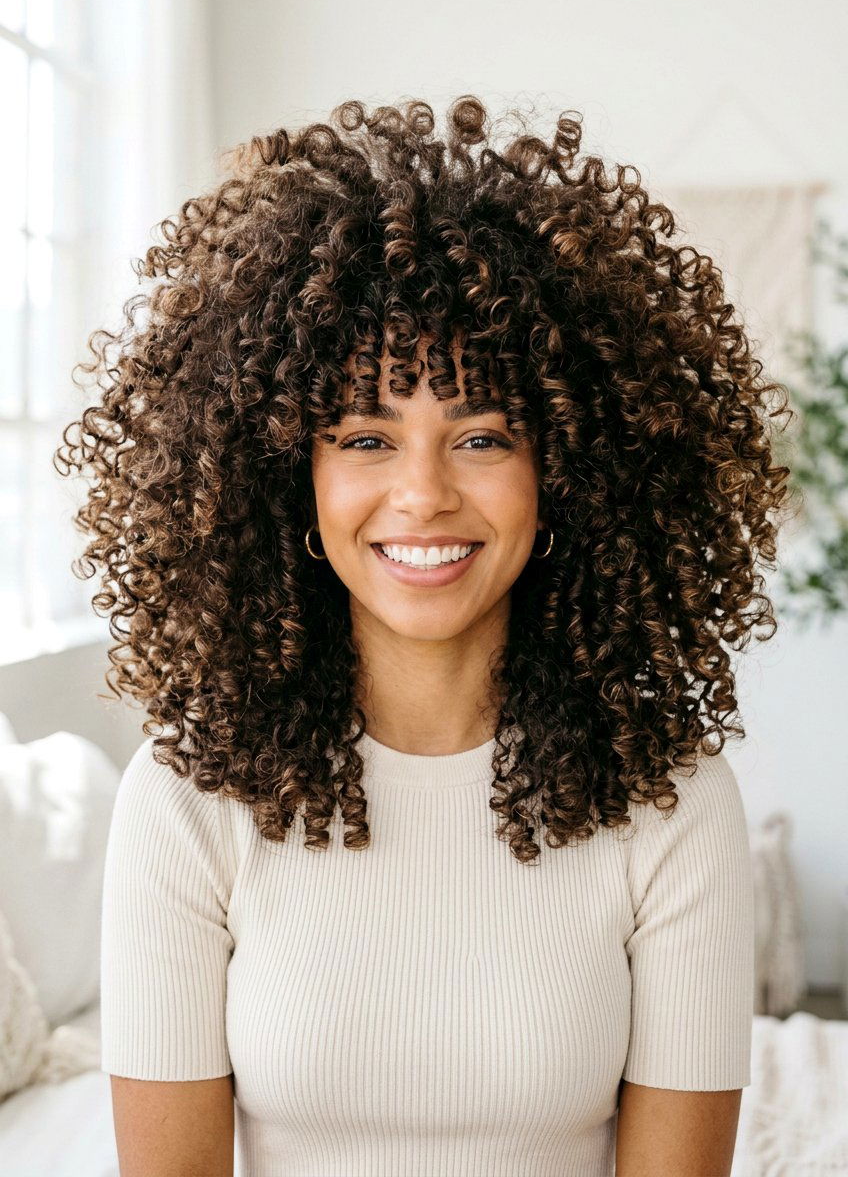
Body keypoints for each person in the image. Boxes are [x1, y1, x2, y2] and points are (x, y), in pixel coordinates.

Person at [54, 94, 791, 1176]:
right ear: (285, 474)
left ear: (566, 470)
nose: (422, 494)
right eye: (364, 435)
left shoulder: (670, 803)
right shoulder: (185, 802)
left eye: (481, 434)